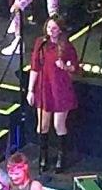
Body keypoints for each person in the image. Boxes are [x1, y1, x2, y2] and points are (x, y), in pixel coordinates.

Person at [26, 14, 78, 173]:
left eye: (54, 28)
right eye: (49, 27)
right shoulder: (41, 43)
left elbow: (76, 67)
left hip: (60, 88)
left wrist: (65, 67)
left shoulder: (66, 46)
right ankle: (43, 156)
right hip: (44, 87)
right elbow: (34, 67)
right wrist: (30, 90)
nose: (51, 31)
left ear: (60, 30)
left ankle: (62, 157)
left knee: (58, 125)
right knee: (42, 125)